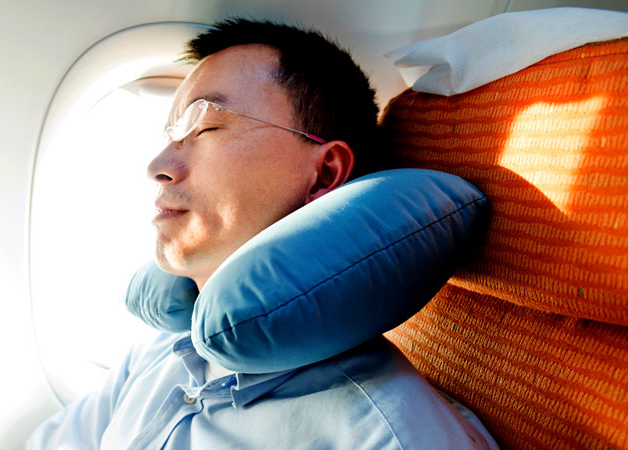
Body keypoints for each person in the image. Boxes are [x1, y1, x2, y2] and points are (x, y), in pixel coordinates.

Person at [29, 18, 497, 449]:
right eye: (171, 135)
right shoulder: (158, 354)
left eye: (206, 125)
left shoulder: (385, 434)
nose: (157, 168)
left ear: (325, 173)